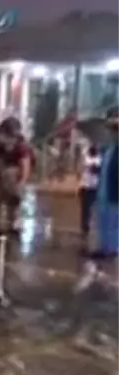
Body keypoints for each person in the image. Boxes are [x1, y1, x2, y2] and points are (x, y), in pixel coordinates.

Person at [78, 117, 119, 291]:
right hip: (103, 189)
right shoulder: (108, 148)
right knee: (103, 220)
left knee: (113, 222)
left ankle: (111, 249)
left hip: (114, 191)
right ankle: (104, 247)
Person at [0, 120, 32, 234]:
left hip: (13, 177)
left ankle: (14, 225)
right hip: (3, 177)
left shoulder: (20, 147)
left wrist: (21, 182)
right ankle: (0, 225)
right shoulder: (1, 146)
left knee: (13, 202)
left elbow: (25, 165)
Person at [79, 137, 102, 252]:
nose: (95, 146)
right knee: (85, 210)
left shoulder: (101, 156)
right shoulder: (85, 155)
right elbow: (87, 166)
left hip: (97, 187)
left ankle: (97, 230)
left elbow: (98, 169)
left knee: (98, 210)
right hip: (86, 186)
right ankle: (85, 229)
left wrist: (96, 168)